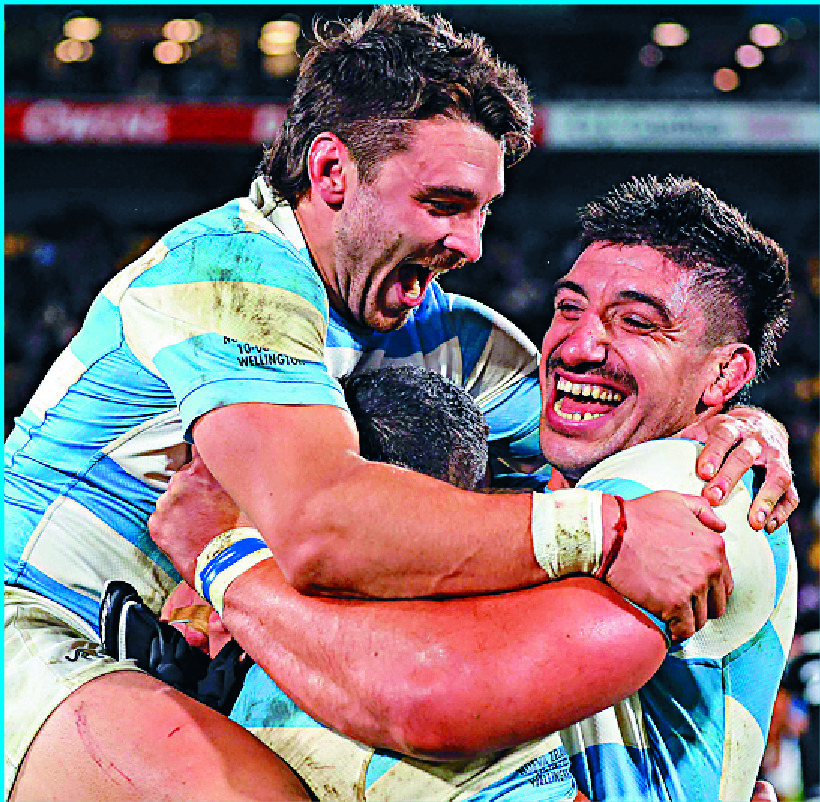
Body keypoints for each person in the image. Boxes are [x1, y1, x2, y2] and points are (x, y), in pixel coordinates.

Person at [3, 3, 793, 796]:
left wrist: (739, 428)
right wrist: (609, 530)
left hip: (183, 658)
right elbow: (321, 526)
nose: (472, 245)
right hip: (40, 633)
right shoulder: (229, 274)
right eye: (444, 204)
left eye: (484, 210)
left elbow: (595, 428)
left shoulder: (439, 336)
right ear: (331, 173)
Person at [147, 175, 797, 801]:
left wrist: (223, 558)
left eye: (636, 323)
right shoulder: (558, 466)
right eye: (569, 308)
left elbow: (429, 700)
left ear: (724, 374)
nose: (579, 346)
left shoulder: (690, 486)